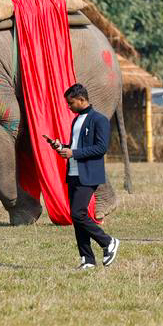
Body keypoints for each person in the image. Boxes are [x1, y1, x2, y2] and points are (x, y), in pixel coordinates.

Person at [53, 84, 119, 271]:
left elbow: (101, 148)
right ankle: (87, 259)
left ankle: (108, 242)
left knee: (78, 214)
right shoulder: (76, 120)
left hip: (88, 174)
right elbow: (76, 146)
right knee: (77, 218)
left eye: (71, 103)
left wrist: (73, 153)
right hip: (73, 174)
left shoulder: (99, 120)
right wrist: (62, 147)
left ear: (81, 99)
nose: (69, 106)